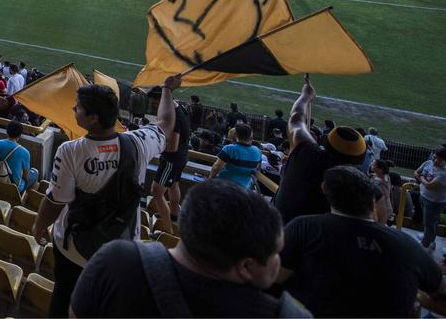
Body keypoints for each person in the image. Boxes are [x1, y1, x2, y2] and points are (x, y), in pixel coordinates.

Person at [34, 76, 177, 317]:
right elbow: (165, 123)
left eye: (77, 107)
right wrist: (166, 90)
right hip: (120, 250)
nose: (73, 108)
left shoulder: (71, 151)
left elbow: (56, 201)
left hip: (73, 248)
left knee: (63, 297)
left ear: (93, 118)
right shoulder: (138, 143)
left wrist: (39, 226)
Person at [69, 180, 307, 318]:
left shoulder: (115, 261)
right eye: (275, 252)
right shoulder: (288, 316)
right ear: (246, 266)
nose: (279, 260)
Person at [279, 166, 446, 317]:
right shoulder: (407, 245)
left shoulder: (303, 228)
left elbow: (275, 275)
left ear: (324, 189)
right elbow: (442, 292)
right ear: (372, 199)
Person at [273, 76, 367, 223]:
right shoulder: (357, 183)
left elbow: (296, 118)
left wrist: (306, 95)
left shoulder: (306, 152)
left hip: (280, 228)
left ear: (326, 142)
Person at [150, 99, 190, 234]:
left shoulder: (173, 116)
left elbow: (172, 147)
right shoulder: (180, 108)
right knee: (174, 185)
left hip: (171, 160)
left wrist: (154, 144)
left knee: (156, 191)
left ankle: (168, 230)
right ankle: (173, 215)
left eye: (156, 104)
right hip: (181, 157)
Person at [0, 120, 38, 193]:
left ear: (7, 131)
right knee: (35, 172)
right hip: (14, 188)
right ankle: (24, 197)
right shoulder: (25, 152)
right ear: (20, 135)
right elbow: (25, 177)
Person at [416, 148, 446, 250]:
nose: (435, 160)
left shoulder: (445, 175)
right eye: (435, 157)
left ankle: (425, 245)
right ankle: (430, 240)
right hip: (424, 197)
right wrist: (422, 178)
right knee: (431, 222)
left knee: (429, 224)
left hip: (434, 202)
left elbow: (429, 186)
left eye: (440, 160)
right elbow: (416, 172)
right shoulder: (428, 163)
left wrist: (421, 177)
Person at [210, 123, 262, 189]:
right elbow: (258, 168)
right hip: (243, 190)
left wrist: (210, 180)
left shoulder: (229, 148)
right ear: (250, 137)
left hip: (223, 186)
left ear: (236, 135)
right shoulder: (258, 151)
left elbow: (216, 167)